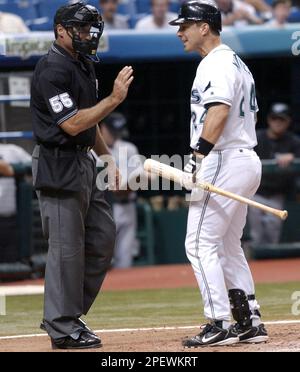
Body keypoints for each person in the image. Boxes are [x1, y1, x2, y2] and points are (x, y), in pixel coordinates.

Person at [30, 1, 133, 350]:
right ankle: (62, 326)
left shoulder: (83, 63)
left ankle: (68, 314)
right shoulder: (51, 69)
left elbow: (90, 121)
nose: (88, 35)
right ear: (61, 30)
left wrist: (107, 159)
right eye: (81, 29)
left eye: (90, 28)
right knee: (66, 250)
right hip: (57, 162)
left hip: (84, 161)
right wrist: (114, 99)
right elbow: (73, 124)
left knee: (103, 237)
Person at [169, 1, 268, 347]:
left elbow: (220, 110)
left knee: (198, 243)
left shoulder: (215, 62)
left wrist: (199, 157)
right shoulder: (235, 61)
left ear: (204, 27)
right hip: (243, 157)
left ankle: (219, 321)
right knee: (227, 245)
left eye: (185, 26)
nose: (180, 32)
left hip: (223, 158)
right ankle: (249, 319)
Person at [248, 103, 300, 245]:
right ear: (269, 119)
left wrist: (293, 157)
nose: (277, 122)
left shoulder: (294, 142)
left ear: (288, 121)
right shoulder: (256, 138)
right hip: (256, 194)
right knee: (256, 237)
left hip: (277, 195)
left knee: (272, 238)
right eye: (274, 118)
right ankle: (253, 266)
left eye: (281, 119)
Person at [97, 112, 142, 268]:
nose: (114, 135)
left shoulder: (128, 148)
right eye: (111, 130)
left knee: (125, 260)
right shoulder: (92, 150)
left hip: (127, 205)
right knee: (102, 259)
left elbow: (139, 177)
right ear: (102, 128)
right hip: (104, 208)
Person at [0, 144, 31, 263]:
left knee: (12, 265)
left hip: (10, 220)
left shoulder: (12, 150)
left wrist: (11, 169)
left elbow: (34, 165)